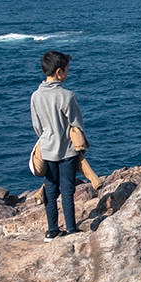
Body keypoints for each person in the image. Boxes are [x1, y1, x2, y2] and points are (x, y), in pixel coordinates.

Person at [31, 49, 86, 241]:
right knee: (67, 191)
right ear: (59, 72)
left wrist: (47, 138)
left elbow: (37, 126)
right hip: (67, 150)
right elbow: (76, 124)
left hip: (47, 150)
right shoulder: (67, 96)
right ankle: (71, 229)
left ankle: (52, 230)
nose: (68, 74)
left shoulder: (36, 96)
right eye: (67, 70)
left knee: (51, 190)